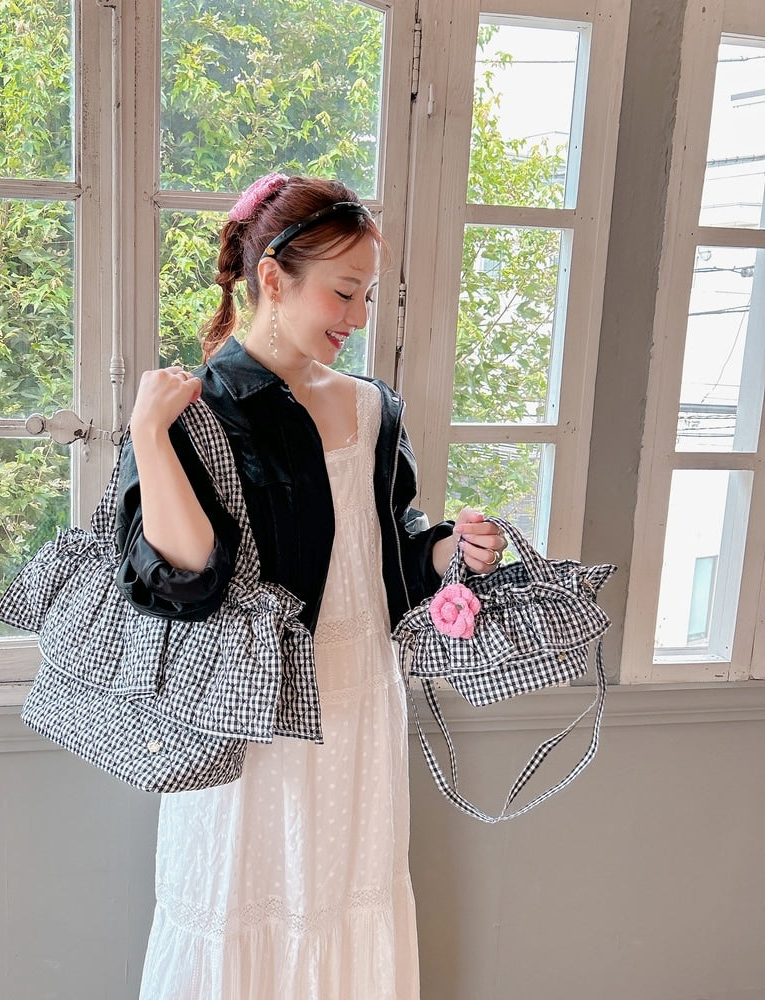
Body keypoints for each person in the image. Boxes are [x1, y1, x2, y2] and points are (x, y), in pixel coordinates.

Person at [117, 174, 506, 999]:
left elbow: (391, 552)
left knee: (347, 910)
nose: (357, 318)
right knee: (238, 915)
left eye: (368, 295)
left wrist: (453, 551)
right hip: (250, 716)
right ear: (272, 278)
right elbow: (186, 582)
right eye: (343, 291)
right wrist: (148, 432)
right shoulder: (199, 408)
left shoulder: (372, 409)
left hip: (360, 701)